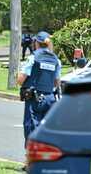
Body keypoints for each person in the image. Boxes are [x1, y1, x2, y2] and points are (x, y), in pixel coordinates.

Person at [17, 31, 61, 169]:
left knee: (31, 127)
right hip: (50, 99)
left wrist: (17, 75)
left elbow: (20, 80)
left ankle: (30, 161)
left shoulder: (33, 58)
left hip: (34, 99)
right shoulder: (56, 60)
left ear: (36, 42)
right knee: (46, 129)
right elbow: (56, 83)